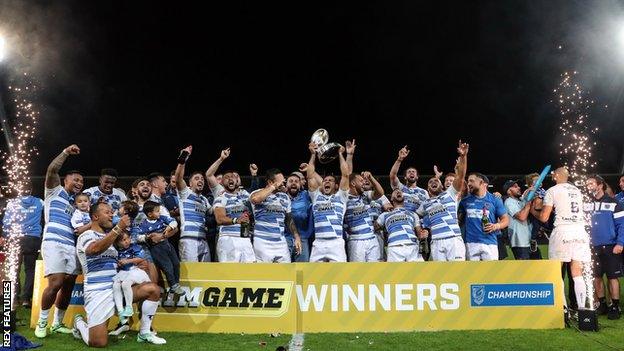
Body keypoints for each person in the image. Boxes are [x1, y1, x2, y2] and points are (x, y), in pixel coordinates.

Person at [73, 202, 165, 346]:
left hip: (117, 287)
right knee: (98, 342)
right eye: (107, 212)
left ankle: (145, 332)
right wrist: (118, 228)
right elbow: (94, 250)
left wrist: (135, 264)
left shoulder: (111, 238)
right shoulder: (86, 235)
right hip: (98, 291)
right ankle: (79, 322)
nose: (112, 215)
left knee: (153, 289)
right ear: (95, 216)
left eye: (112, 212)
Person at [36, 144, 84, 338]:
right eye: (76, 179)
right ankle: (42, 322)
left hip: (70, 245)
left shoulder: (77, 204)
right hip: (53, 242)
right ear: (65, 180)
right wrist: (65, 153)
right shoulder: (54, 192)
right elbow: (52, 169)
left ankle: (57, 323)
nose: (79, 182)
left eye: (82, 180)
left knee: (69, 284)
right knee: (55, 283)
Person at [535, 167, 592, 312]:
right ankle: (581, 310)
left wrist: (534, 209)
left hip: (562, 231)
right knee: (577, 271)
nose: (552, 176)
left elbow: (544, 217)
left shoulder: (552, 190)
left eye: (554, 174)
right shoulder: (577, 190)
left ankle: (563, 309)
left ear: (557, 176)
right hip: (580, 232)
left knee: (556, 270)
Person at [417, 140, 468, 261]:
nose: (433, 182)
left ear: (442, 186)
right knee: (441, 277)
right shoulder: (425, 203)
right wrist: (421, 229)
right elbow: (414, 215)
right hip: (436, 242)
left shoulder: (450, 193)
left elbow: (461, 176)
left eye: (436, 181)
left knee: (458, 274)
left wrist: (463, 156)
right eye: (430, 182)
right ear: (428, 189)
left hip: (453, 238)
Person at [306, 140, 352, 262]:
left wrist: (341, 154)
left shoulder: (341, 197)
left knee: (340, 277)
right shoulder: (316, 197)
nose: (326, 181)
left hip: (336, 243)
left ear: (336, 186)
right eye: (325, 180)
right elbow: (310, 175)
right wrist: (313, 154)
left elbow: (345, 175)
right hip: (318, 243)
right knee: (314, 277)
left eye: (330, 180)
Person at [585, 175, 623, 319]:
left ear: (600, 185)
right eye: (587, 184)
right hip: (592, 246)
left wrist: (620, 243)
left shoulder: (614, 202)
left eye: (591, 183)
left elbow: (622, 225)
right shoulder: (586, 203)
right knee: (597, 276)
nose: (588, 186)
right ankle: (602, 304)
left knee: (612, 277)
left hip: (611, 246)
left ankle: (615, 305)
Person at [1, 181, 44, 308]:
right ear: (31, 190)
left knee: (14, 269)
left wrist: (4, 235)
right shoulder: (40, 202)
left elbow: (7, 222)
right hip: (33, 238)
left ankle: (13, 298)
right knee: (30, 269)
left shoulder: (12, 203)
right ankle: (26, 299)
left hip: (15, 237)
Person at [249, 168, 302, 262]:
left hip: (281, 242)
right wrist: (273, 187)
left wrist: (296, 236)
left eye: (283, 181)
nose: (283, 184)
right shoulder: (257, 192)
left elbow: (289, 220)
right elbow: (255, 199)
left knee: (286, 274)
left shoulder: (285, 197)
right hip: (262, 241)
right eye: (280, 182)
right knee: (264, 275)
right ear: (270, 182)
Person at [458, 173, 509, 261]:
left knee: (491, 272)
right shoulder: (465, 201)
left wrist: (495, 226)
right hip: (470, 243)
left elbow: (506, 220)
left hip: (490, 242)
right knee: (472, 273)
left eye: (471, 181)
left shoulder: (495, 199)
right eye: (468, 181)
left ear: (481, 182)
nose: (469, 183)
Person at [174, 146, 212, 262]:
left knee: (205, 275)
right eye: (196, 178)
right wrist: (183, 160)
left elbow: (213, 212)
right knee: (191, 276)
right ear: (190, 183)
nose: (200, 180)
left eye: (202, 179)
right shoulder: (186, 193)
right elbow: (178, 178)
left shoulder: (205, 200)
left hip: (203, 240)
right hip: (188, 239)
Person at [137, 200, 183, 294]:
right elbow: (138, 237)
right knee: (168, 267)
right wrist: (146, 237)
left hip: (167, 244)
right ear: (150, 214)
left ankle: (176, 284)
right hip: (156, 248)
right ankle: (173, 285)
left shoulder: (162, 218)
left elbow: (174, 221)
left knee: (176, 263)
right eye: (157, 211)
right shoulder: (144, 225)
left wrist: (170, 227)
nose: (159, 213)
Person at [213, 170, 255, 262]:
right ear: (222, 183)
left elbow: (256, 197)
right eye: (227, 177)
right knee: (229, 274)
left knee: (251, 272)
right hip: (228, 238)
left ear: (237, 181)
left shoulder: (245, 196)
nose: (230, 178)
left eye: (232, 177)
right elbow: (219, 219)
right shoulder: (221, 198)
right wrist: (236, 220)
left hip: (245, 237)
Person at [344, 169, 384, 262]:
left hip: (372, 237)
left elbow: (380, 193)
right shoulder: (345, 198)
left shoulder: (365, 195)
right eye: (361, 181)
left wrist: (371, 178)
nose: (364, 183)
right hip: (356, 240)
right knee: (357, 272)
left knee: (374, 271)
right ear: (353, 183)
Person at [376, 188, 427, 262]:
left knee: (417, 273)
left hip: (412, 246)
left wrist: (423, 235)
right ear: (391, 198)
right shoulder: (385, 215)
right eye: (395, 192)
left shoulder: (413, 214)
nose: (398, 192)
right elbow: (374, 228)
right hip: (394, 247)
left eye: (400, 192)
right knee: (396, 273)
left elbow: (419, 233)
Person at [112, 231, 151, 324]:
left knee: (126, 283)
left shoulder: (134, 247)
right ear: (117, 243)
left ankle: (129, 308)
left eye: (127, 238)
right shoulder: (116, 251)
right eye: (123, 240)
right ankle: (121, 311)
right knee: (115, 285)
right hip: (123, 272)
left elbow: (141, 258)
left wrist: (128, 261)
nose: (126, 241)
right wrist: (118, 264)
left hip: (134, 271)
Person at [284, 172, 314, 262]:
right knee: (283, 268)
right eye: (291, 181)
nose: (293, 183)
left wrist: (309, 171)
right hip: (284, 239)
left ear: (301, 184)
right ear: (286, 184)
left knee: (303, 269)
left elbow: (317, 186)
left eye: (296, 181)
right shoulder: (281, 197)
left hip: (303, 239)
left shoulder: (306, 195)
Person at [389, 146, 429, 213]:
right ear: (405, 177)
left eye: (413, 172)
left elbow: (428, 206)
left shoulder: (424, 192)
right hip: (403, 217)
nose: (411, 173)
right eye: (409, 172)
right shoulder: (399, 188)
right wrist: (400, 159)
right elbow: (393, 176)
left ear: (417, 177)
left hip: (418, 219)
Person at [503, 179, 534, 260]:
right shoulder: (509, 202)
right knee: (525, 270)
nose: (519, 188)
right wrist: (528, 204)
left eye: (518, 186)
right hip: (519, 242)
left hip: (528, 241)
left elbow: (525, 197)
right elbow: (522, 217)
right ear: (509, 191)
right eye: (515, 187)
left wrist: (529, 192)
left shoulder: (519, 201)